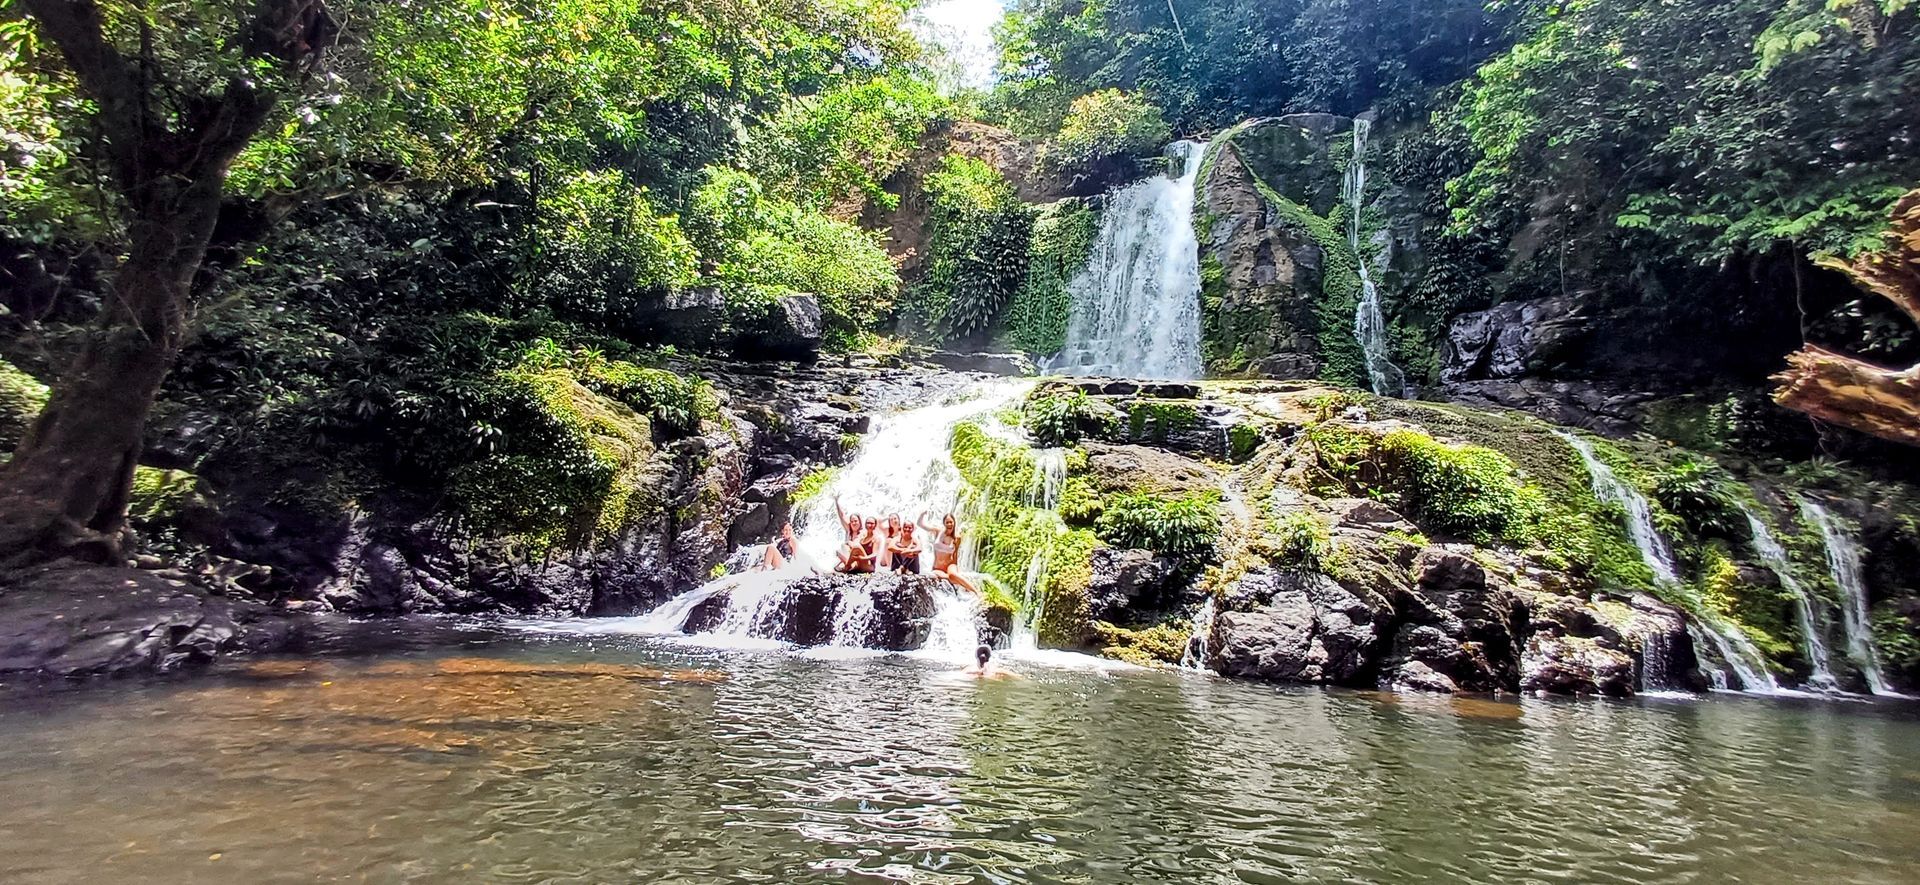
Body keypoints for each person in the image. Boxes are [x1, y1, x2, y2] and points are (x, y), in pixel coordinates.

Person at [918, 510, 978, 596]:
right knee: (947, 577)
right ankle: (964, 585)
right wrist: (922, 514)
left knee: (953, 575)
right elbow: (920, 524)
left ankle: (976, 592)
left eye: (951, 522)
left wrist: (956, 569)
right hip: (937, 568)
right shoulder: (938, 532)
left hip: (950, 565)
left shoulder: (957, 537)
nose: (949, 524)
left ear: (954, 523)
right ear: (944, 524)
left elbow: (955, 554)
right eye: (947, 522)